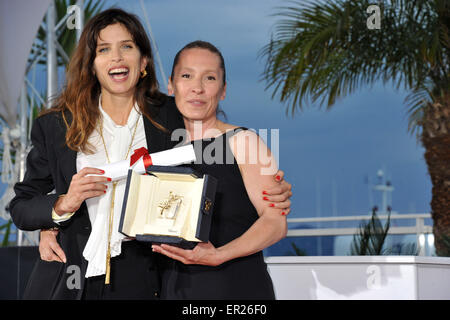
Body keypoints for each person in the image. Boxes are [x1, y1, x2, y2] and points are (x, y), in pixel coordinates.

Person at [10, 9, 292, 300]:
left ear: (143, 61)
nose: (117, 57)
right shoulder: (57, 125)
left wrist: (273, 186)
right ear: (91, 64)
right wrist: (59, 209)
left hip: (147, 277)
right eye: (104, 49)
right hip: (71, 278)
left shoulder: (172, 116)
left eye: (127, 47)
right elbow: (22, 205)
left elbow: (221, 143)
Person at [151, 40, 288, 300]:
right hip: (173, 290)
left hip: (236, 288)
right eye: (187, 76)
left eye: (210, 78)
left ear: (223, 90)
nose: (197, 88)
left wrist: (218, 255)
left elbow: (276, 223)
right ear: (171, 84)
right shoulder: (158, 148)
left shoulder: (243, 142)